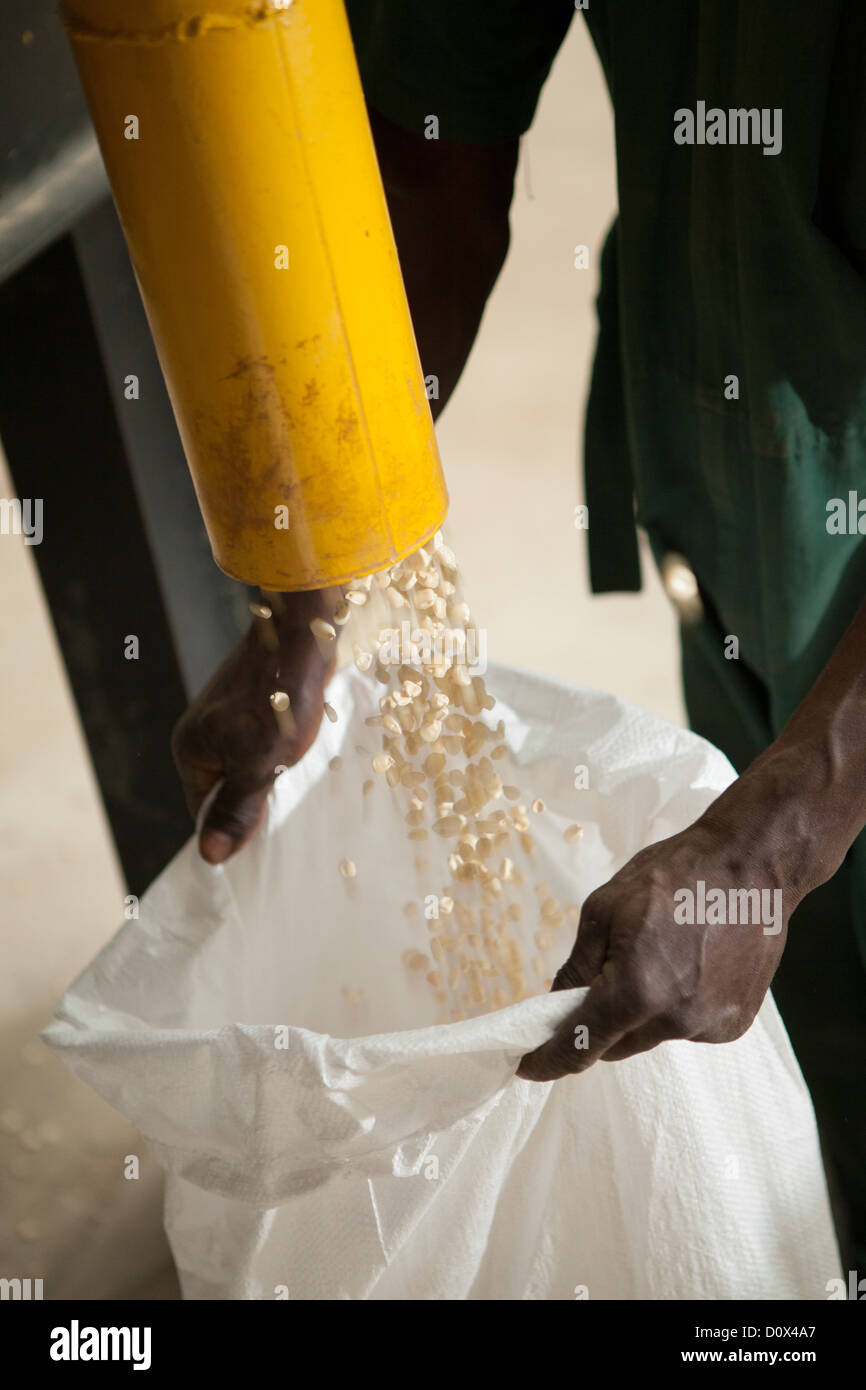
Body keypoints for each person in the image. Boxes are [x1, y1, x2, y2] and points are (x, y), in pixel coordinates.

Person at [172, 1, 866, 1274]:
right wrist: (310, 592)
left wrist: (781, 823)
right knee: (805, 1039)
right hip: (733, 501)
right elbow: (437, 162)